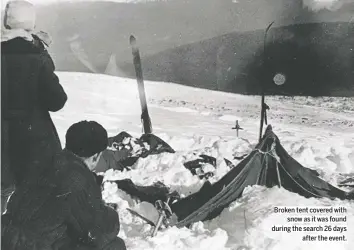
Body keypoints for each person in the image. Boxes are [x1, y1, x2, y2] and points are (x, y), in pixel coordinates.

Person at [2, 121, 127, 250]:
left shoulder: (46, 161)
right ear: (95, 156)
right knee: (115, 245)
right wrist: (112, 215)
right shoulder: (77, 177)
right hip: (32, 245)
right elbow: (95, 231)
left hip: (7, 237)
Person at [1, 0, 67, 213]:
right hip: (34, 140)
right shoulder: (37, 55)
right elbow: (57, 101)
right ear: (31, 24)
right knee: (33, 199)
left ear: (6, 22)